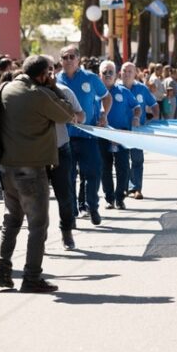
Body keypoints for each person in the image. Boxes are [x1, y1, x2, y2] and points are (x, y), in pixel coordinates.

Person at [0, 55, 76, 292]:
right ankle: (31, 277)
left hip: (7, 167)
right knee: (38, 225)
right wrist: (54, 88)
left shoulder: (5, 88)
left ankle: (3, 271)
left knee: (11, 220)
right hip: (31, 168)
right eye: (48, 74)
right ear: (42, 75)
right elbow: (67, 114)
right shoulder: (39, 94)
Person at [57, 45, 111, 225]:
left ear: (78, 59)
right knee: (68, 177)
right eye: (65, 57)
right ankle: (71, 213)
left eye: (72, 56)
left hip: (88, 136)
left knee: (93, 173)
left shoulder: (91, 78)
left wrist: (104, 114)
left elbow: (106, 97)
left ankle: (92, 206)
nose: (68, 60)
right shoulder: (55, 80)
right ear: (60, 61)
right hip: (65, 138)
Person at [46, 60, 84, 250]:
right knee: (38, 198)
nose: (48, 75)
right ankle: (39, 236)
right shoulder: (29, 93)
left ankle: (67, 232)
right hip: (36, 153)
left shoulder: (64, 91)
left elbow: (80, 115)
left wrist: (72, 117)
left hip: (61, 149)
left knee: (65, 195)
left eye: (50, 70)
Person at [99, 60, 140, 210]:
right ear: (100, 74)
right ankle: (109, 198)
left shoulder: (124, 91)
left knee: (123, 168)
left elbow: (137, 107)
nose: (108, 75)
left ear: (116, 75)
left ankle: (120, 198)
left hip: (121, 135)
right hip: (102, 135)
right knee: (105, 168)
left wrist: (136, 117)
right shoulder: (95, 92)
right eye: (105, 72)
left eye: (111, 72)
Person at [120, 62, 159, 200]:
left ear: (135, 73)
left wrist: (154, 119)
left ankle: (136, 188)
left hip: (137, 130)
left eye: (130, 71)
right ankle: (123, 188)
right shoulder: (115, 88)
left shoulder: (142, 89)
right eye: (124, 71)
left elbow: (154, 104)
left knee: (137, 159)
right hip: (120, 130)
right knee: (122, 161)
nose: (127, 74)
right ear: (120, 73)